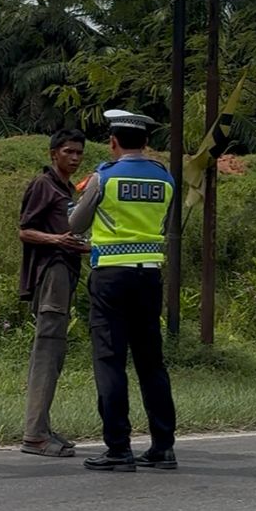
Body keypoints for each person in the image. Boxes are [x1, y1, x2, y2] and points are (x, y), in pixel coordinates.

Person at [68, 110, 178, 472]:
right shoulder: (165, 179)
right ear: (146, 142)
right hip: (150, 277)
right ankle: (163, 446)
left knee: (110, 360)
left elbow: (76, 222)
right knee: (151, 362)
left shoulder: (104, 178)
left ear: (113, 142)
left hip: (111, 278)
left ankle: (119, 447)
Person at [17, 129, 90, 458]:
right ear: (53, 154)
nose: (74, 158)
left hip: (67, 270)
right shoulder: (43, 185)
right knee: (47, 351)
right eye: (68, 152)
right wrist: (58, 241)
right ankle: (34, 435)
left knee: (56, 354)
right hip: (51, 274)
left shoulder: (67, 188)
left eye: (79, 153)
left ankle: (42, 426)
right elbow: (24, 230)